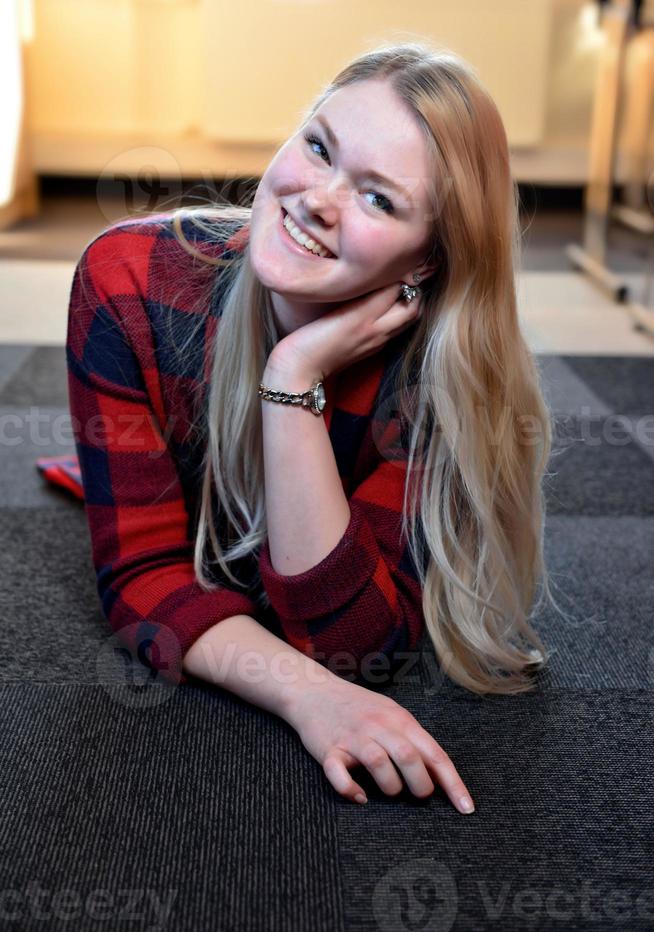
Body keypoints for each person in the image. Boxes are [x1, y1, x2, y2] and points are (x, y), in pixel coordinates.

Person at [66, 41, 558, 814]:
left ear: (424, 265)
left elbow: (350, 645)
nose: (316, 199)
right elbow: (140, 576)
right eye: (319, 147)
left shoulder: (445, 373)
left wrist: (291, 379)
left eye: (378, 199)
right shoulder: (128, 276)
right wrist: (306, 699)